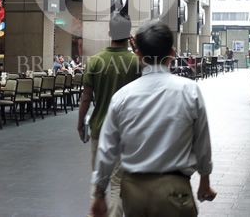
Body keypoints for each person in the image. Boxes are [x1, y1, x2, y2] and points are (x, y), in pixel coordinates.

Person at [90, 20, 216, 217]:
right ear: (172, 53)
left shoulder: (122, 97)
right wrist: (205, 181)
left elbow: (107, 150)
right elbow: (202, 141)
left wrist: (99, 193)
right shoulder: (189, 91)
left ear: (138, 54)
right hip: (175, 190)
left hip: (134, 192)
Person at [77, 12, 141, 217]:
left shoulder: (95, 61)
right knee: (118, 182)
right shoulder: (136, 62)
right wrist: (136, 48)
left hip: (100, 128)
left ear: (109, 32)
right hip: (128, 130)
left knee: (98, 179)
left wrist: (81, 123)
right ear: (128, 35)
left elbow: (86, 98)